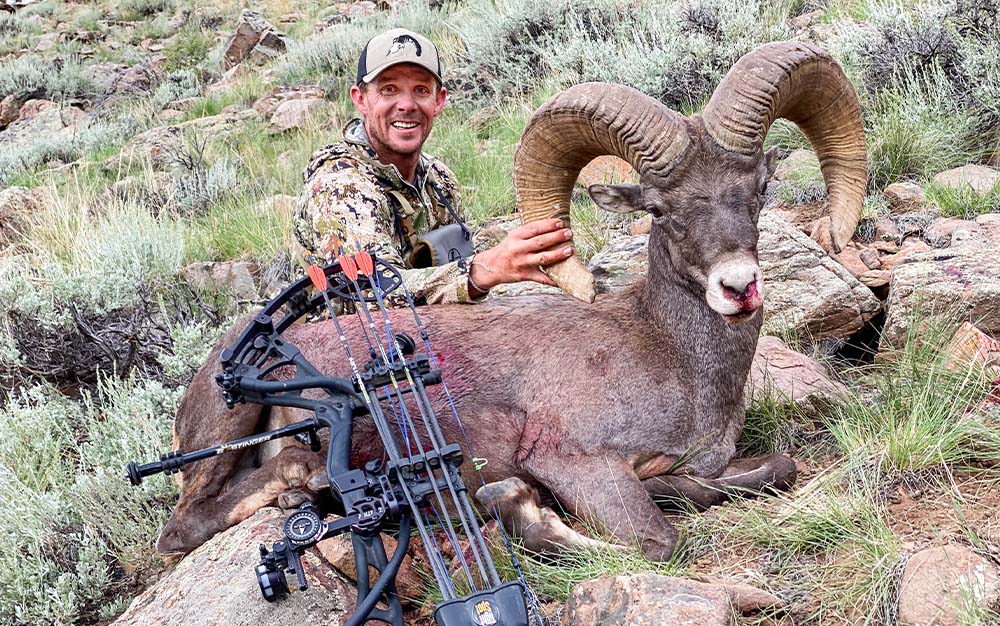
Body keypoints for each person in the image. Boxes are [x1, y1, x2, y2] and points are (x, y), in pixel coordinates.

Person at [294, 28, 574, 305]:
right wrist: (484, 269)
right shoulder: (341, 187)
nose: (406, 105)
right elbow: (376, 293)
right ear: (360, 99)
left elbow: (457, 258)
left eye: (421, 90)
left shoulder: (439, 180)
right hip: (340, 342)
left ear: (438, 100)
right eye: (389, 89)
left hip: (423, 336)